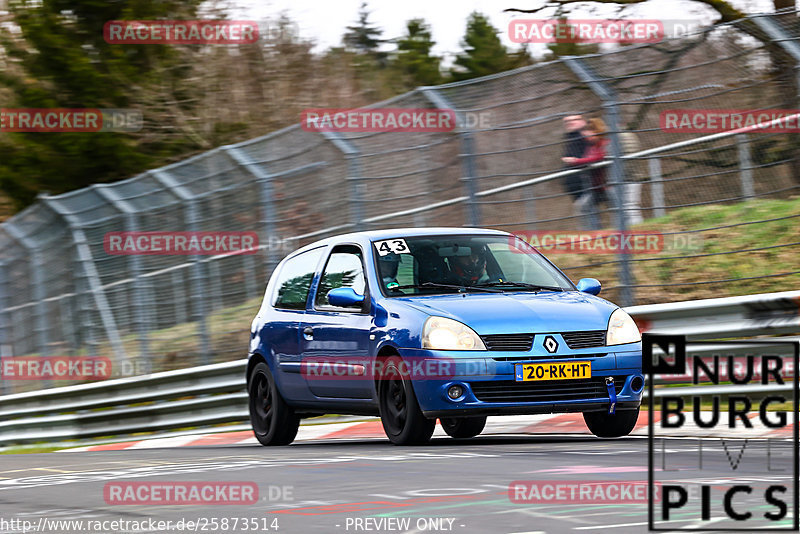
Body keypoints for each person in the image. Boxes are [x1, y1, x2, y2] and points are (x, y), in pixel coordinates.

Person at [562, 118, 608, 230]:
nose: (586, 136)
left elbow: (597, 158)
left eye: (588, 133)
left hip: (607, 185)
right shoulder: (591, 146)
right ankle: (591, 234)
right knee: (583, 207)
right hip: (595, 186)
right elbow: (589, 159)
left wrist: (576, 161)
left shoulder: (604, 143)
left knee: (620, 208)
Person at [561, 115, 589, 204]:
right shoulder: (571, 138)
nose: (570, 123)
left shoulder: (585, 137)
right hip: (576, 185)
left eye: (575, 119)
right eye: (567, 121)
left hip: (585, 182)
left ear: (583, 121)